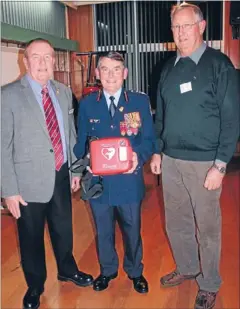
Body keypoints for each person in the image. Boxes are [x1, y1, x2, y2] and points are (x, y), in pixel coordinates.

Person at [150, 3, 239, 309]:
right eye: (176, 27)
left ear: (201, 27)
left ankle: (210, 282)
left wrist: (220, 164)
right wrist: (158, 149)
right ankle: (187, 267)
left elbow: (232, 119)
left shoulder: (219, 65)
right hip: (171, 161)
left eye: (187, 26)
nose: (181, 33)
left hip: (205, 163)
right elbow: (161, 114)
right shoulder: (168, 68)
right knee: (176, 221)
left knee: (208, 226)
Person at [1, 38, 93, 309]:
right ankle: (35, 285)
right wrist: (9, 190)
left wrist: (75, 169)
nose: (42, 63)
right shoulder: (8, 95)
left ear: (54, 61)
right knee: (30, 237)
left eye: (48, 57)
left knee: (64, 229)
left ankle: (67, 269)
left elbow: (71, 134)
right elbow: (3, 146)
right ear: (25, 61)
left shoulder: (64, 92)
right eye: (36, 57)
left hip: (61, 175)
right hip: (27, 182)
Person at [74, 51, 155, 293]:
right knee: (104, 231)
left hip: (129, 180)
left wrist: (137, 157)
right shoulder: (88, 103)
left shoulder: (139, 102)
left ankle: (135, 271)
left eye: (116, 69)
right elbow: (81, 142)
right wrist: (79, 169)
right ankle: (107, 271)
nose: (111, 75)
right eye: (105, 69)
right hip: (98, 182)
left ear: (125, 73)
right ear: (97, 73)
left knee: (132, 230)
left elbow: (149, 140)